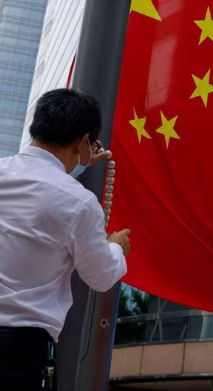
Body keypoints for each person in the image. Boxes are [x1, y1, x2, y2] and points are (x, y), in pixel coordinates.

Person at [0, 88, 131, 390]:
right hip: (17, 349)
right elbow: (99, 276)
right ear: (84, 141)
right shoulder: (80, 203)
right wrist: (116, 248)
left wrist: (79, 165)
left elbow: (37, 195)